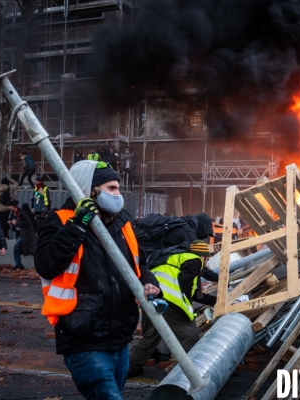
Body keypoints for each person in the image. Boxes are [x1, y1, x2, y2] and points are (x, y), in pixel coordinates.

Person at [35, 160, 160, 399]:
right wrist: (77, 225)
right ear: (89, 190)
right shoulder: (60, 220)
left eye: (118, 188)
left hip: (121, 335)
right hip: (83, 336)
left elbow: (138, 262)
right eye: (111, 188)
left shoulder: (122, 222)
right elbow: (46, 265)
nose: (118, 194)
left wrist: (148, 281)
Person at [128, 239, 217, 377]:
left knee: (150, 337)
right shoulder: (195, 260)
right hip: (170, 301)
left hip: (151, 296)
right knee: (190, 337)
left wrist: (215, 300)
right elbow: (187, 282)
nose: (206, 264)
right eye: (207, 259)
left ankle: (129, 368)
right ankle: (196, 373)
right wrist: (186, 304)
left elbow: (196, 294)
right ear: (202, 256)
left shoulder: (176, 259)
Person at [10, 203, 36, 271]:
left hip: (26, 235)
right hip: (27, 235)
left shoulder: (23, 213)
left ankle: (19, 264)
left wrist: (16, 223)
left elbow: (26, 223)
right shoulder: (29, 214)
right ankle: (18, 264)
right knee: (30, 250)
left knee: (20, 248)